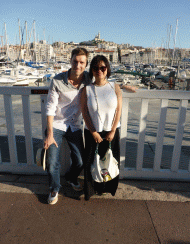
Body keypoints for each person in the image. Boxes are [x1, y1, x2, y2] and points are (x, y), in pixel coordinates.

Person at [81, 55, 136, 201]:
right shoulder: (87, 90)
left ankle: (108, 188)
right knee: (91, 162)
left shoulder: (115, 87)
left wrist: (112, 130)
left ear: (107, 69)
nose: (99, 70)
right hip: (93, 132)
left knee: (111, 162)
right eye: (95, 68)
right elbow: (84, 112)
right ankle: (91, 189)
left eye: (102, 67)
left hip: (111, 132)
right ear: (91, 70)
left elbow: (118, 110)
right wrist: (93, 132)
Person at [44, 47, 91, 205]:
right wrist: (49, 134)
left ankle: (71, 177)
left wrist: (123, 88)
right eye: (75, 61)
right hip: (56, 124)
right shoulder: (57, 80)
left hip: (74, 125)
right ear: (70, 61)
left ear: (86, 64)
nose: (78, 65)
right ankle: (54, 187)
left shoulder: (88, 79)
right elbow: (50, 107)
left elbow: (105, 83)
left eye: (82, 62)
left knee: (80, 160)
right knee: (52, 161)